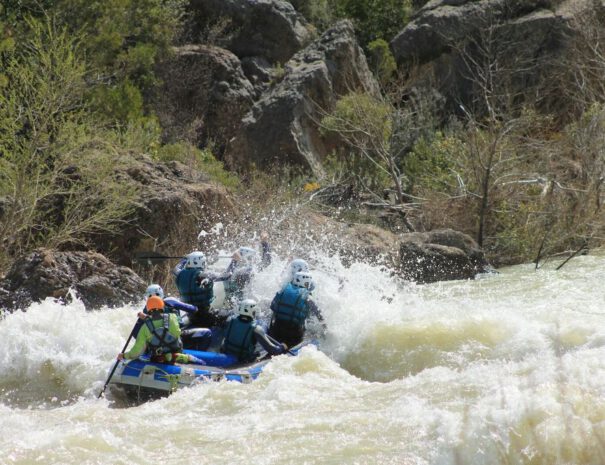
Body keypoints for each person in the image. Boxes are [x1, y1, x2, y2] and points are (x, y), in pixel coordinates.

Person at [117, 296, 203, 365]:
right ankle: (179, 356)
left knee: (153, 354)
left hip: (158, 355)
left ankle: (169, 357)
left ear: (148, 309)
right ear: (162, 306)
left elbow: (137, 351)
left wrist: (124, 355)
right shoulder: (172, 317)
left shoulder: (145, 327)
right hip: (176, 349)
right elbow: (177, 333)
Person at [133, 284, 212, 351]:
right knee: (207, 333)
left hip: (156, 343)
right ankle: (194, 353)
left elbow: (135, 334)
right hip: (177, 337)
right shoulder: (170, 301)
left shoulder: (146, 309)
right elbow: (193, 309)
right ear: (160, 293)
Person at [173, 251, 230, 328]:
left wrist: (184, 260)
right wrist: (235, 261)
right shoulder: (203, 275)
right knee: (230, 315)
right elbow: (226, 275)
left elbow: (176, 268)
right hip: (206, 316)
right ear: (201, 263)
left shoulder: (179, 274)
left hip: (191, 315)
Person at [221, 299, 288, 363]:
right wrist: (282, 347)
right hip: (242, 361)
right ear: (253, 311)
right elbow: (273, 350)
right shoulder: (257, 329)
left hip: (225, 354)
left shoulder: (229, 320)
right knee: (261, 353)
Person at [268, 271, 323, 347]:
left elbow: (272, 307)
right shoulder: (308, 297)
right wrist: (325, 328)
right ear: (306, 283)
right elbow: (319, 315)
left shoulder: (282, 290)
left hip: (276, 329)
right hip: (294, 333)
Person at [222, 231, 272, 305]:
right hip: (243, 308)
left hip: (229, 307)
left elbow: (229, 271)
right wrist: (265, 243)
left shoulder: (228, 278)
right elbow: (266, 262)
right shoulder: (248, 273)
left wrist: (234, 261)